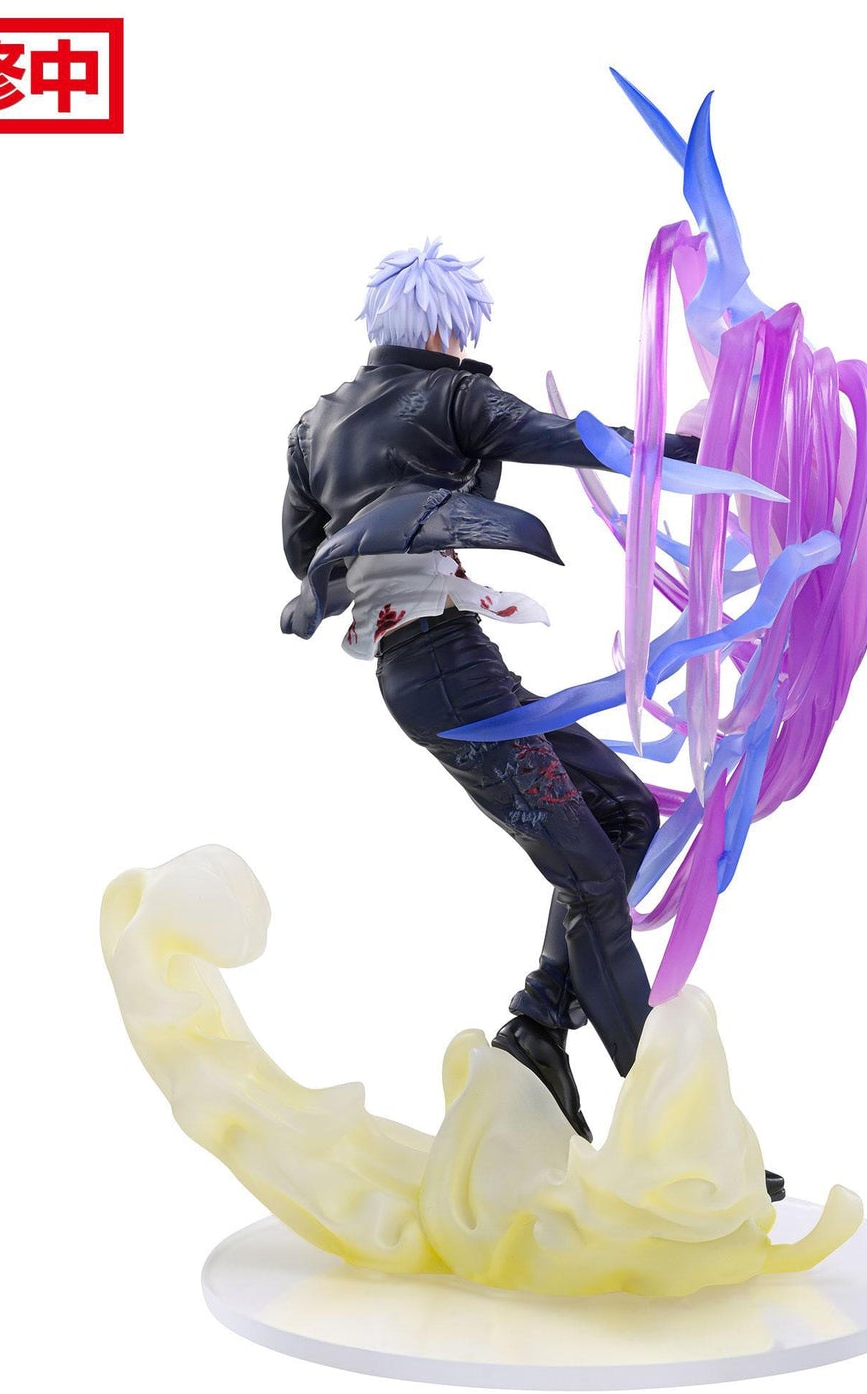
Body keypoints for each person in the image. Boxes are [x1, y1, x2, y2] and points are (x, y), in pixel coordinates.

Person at [278, 239, 711, 1157]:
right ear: (446, 326)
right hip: (450, 669)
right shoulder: (451, 394)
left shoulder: (312, 427)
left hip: (432, 668)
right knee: (591, 877)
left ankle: (538, 1028)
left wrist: (386, 540)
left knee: (625, 813)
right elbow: (584, 441)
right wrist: (702, 451)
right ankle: (667, 1141)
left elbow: (301, 554)